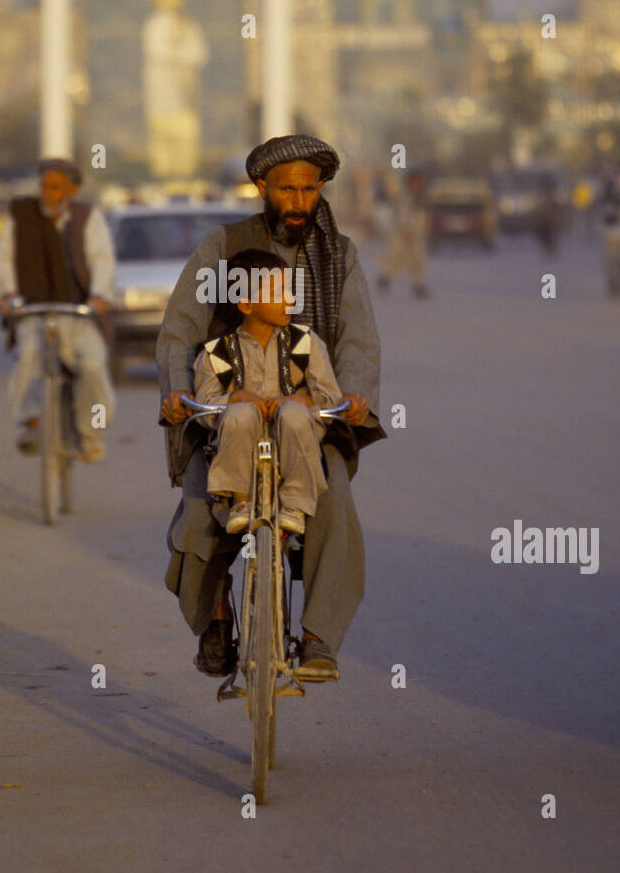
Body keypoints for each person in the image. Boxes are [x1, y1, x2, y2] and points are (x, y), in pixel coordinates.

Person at [158, 133, 385, 680]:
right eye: (288, 190)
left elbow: (357, 340)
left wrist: (352, 399)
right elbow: (179, 330)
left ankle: (316, 639)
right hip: (223, 411)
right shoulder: (223, 246)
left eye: (310, 190)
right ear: (262, 187)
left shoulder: (339, 256)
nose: (300, 202)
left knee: (335, 508)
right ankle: (215, 616)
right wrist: (176, 395)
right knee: (200, 515)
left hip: (305, 415)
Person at [194, 248, 343, 542]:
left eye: (289, 290)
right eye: (278, 292)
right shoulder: (216, 353)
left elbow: (330, 398)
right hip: (239, 448)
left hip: (297, 443)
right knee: (240, 413)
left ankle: (296, 503)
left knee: (294, 414)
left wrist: (306, 401)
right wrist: (232, 400)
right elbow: (204, 407)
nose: (289, 299)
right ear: (246, 304)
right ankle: (240, 499)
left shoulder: (306, 343)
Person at [0, 159, 116, 462]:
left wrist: (99, 296)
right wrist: (8, 294)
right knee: (29, 355)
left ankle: (89, 434)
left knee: (92, 365)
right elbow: (3, 259)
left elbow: (102, 260)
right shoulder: (22, 216)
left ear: (72, 191)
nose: (48, 193)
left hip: (78, 313)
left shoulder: (88, 218)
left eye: (55, 187)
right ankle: (31, 421)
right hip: (33, 311)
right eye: (44, 186)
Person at [377, 171, 430, 297]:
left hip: (415, 233)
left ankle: (417, 285)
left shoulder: (420, 195)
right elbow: (402, 214)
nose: (419, 183)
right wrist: (407, 230)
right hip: (404, 233)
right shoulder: (405, 195)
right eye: (416, 181)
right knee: (399, 258)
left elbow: (421, 216)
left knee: (417, 260)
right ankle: (386, 278)